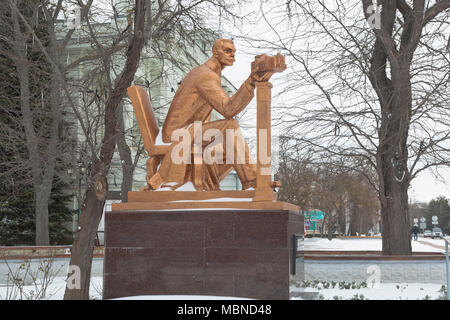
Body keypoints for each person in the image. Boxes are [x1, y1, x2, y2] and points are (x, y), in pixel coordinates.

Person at [147, 39, 273, 191]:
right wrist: (251, 81)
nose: (233, 55)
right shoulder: (205, 75)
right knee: (229, 126)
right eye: (228, 51)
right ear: (215, 53)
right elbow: (228, 110)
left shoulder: (207, 73)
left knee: (230, 147)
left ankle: (209, 185)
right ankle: (251, 181)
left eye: (234, 52)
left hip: (190, 130)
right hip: (180, 133)